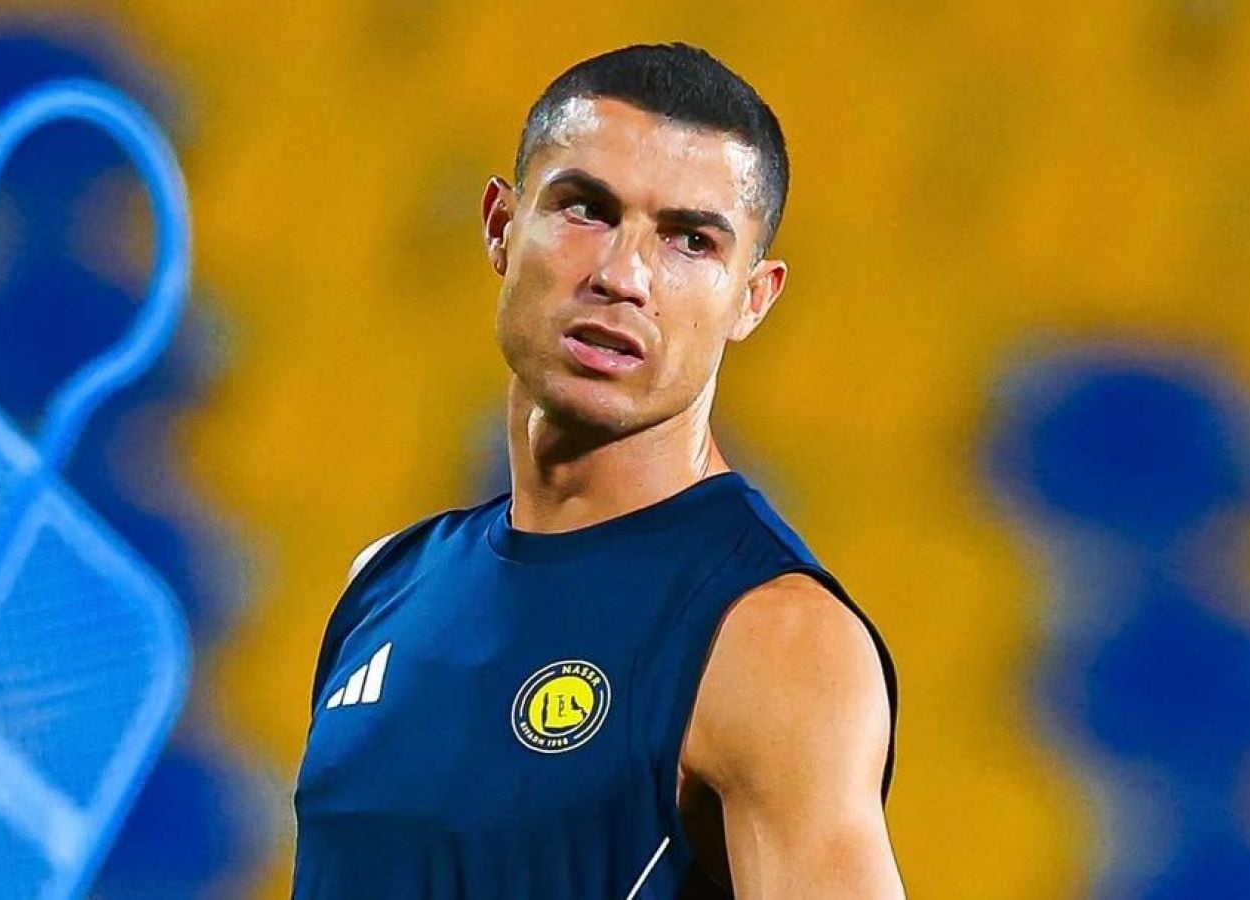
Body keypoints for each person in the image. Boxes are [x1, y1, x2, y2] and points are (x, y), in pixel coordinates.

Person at [292, 42, 903, 899]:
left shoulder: (773, 641)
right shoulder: (386, 582)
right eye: (585, 209)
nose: (622, 276)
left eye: (690, 240)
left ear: (752, 299)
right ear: (501, 227)